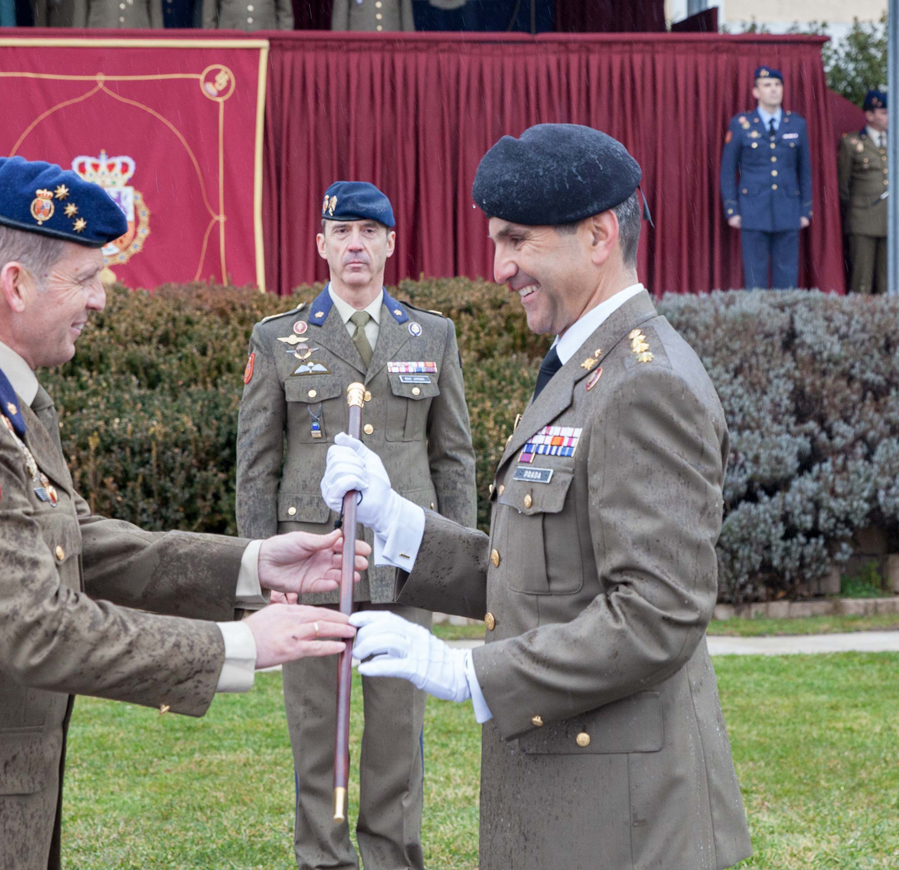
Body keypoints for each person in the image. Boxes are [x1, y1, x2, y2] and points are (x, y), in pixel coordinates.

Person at [0, 156, 365, 869]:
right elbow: (36, 627)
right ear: (16, 285)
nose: (100, 300)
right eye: (86, 278)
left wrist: (250, 564)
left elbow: (72, 543)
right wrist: (238, 645)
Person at [320, 124, 752, 870]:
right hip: (572, 796)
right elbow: (539, 571)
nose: (500, 267)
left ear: (599, 236)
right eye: (498, 242)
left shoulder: (644, 382)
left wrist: (470, 674)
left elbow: (658, 614)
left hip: (623, 823)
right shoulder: (585, 366)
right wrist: (398, 522)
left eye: (518, 241)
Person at [236, 182, 475, 870]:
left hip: (404, 564)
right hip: (314, 563)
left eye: (369, 232)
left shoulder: (431, 335)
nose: (355, 244)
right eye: (341, 232)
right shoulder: (279, 338)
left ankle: (393, 858)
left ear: (391, 244)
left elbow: (453, 457)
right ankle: (323, 859)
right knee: (317, 731)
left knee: (398, 732)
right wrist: (263, 569)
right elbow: (256, 464)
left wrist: (455, 568)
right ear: (321, 244)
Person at [720, 65, 812, 289]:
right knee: (755, 277)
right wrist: (732, 209)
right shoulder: (741, 124)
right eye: (767, 85)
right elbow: (728, 171)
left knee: (787, 277)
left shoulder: (797, 124)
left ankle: (785, 313)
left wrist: (805, 210)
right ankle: (757, 314)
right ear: (756, 92)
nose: (773, 89)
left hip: (788, 208)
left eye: (777, 84)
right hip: (752, 209)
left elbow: (805, 171)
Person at [837, 90, 890, 294]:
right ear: (869, 115)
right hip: (862, 219)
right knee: (862, 281)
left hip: (891, 220)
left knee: (887, 283)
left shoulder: (898, 141)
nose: (888, 117)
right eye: (883, 113)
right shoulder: (851, 143)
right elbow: (843, 185)